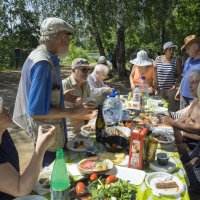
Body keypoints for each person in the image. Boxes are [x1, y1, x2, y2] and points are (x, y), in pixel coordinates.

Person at [13, 17, 96, 167]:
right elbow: (36, 111)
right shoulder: (43, 63)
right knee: (52, 174)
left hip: (47, 135)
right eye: (68, 36)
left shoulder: (42, 55)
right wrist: (73, 112)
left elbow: (36, 96)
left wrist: (61, 97)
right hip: (47, 138)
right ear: (58, 37)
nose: (69, 41)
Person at [0, 106, 56, 199]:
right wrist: (40, 148)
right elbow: (20, 190)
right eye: (1, 109)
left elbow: (13, 174)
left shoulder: (3, 133)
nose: (7, 109)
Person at [161, 70, 200, 154]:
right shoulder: (196, 100)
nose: (190, 86)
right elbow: (186, 116)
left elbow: (198, 129)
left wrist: (174, 123)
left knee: (164, 149)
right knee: (160, 136)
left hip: (193, 144)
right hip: (184, 136)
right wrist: (172, 123)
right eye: (190, 82)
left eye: (194, 83)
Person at [62, 58, 97, 140]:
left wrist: (92, 109)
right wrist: (89, 116)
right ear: (73, 70)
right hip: (69, 131)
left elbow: (88, 105)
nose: (87, 72)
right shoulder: (65, 84)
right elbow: (65, 113)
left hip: (84, 128)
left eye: (88, 69)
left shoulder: (86, 84)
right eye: (83, 69)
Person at [154, 41, 182, 112]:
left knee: (170, 110)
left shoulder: (176, 60)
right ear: (165, 50)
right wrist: (155, 85)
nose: (172, 51)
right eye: (170, 49)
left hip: (170, 90)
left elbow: (180, 75)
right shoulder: (158, 59)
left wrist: (176, 85)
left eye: (173, 49)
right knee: (158, 109)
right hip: (159, 89)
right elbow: (154, 73)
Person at [175, 35, 200, 109]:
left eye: (188, 48)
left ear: (196, 47)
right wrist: (179, 90)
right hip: (183, 96)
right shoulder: (188, 60)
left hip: (195, 99)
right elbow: (183, 76)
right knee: (182, 118)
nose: (186, 51)